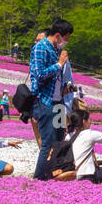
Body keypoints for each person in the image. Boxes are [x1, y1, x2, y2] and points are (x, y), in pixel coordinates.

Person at [29, 19, 74, 181]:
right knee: (48, 143)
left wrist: (64, 90)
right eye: (66, 38)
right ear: (57, 35)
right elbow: (39, 75)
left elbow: (54, 80)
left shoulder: (55, 50)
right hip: (44, 102)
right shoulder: (40, 48)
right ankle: (39, 179)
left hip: (58, 101)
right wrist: (59, 64)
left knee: (60, 141)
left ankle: (54, 175)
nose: (66, 42)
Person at [60, 108, 102, 182]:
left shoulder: (69, 136)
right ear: (84, 121)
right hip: (87, 176)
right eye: (89, 119)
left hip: (71, 175)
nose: (91, 121)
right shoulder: (89, 134)